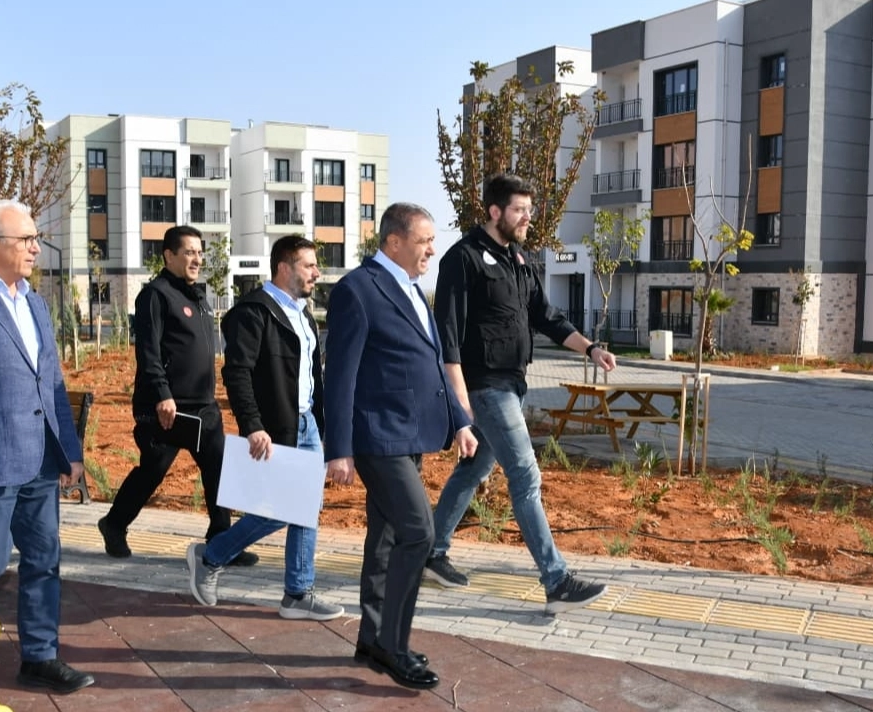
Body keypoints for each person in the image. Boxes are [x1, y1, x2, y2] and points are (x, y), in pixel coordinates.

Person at [427, 173, 615, 614]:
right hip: (485, 387)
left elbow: (546, 315)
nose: (528, 217)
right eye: (519, 210)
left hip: (512, 383)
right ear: (495, 211)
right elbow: (447, 337)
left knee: (472, 471)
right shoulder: (463, 259)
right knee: (526, 476)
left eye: (529, 209)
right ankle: (556, 581)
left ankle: (431, 553)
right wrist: (460, 404)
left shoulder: (517, 258)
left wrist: (590, 348)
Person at [325, 202, 477, 691]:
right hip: (377, 436)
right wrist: (338, 448)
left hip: (409, 436)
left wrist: (460, 422)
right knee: (419, 534)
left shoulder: (412, 289)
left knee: (387, 538)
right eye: (424, 240)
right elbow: (340, 375)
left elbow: (433, 363)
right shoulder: (357, 289)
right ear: (394, 242)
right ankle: (393, 645)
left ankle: (372, 637)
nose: (432, 249)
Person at [186, 235, 343, 621]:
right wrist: (253, 426)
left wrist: (321, 424)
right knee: (284, 509)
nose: (316, 273)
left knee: (307, 507)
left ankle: (298, 593)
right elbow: (237, 373)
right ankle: (212, 556)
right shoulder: (254, 312)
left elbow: (311, 377)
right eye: (309, 265)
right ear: (285, 267)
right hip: (276, 427)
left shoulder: (304, 315)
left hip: (307, 424)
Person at [98, 225, 257, 566]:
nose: (197, 259)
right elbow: (148, 351)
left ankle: (221, 542)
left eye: (200, 252)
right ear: (169, 255)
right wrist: (162, 394)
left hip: (203, 407)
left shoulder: (197, 297)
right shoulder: (155, 295)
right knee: (153, 469)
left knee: (218, 468)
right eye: (189, 252)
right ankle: (114, 524)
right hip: (167, 408)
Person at [0, 200, 95, 694]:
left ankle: (39, 657)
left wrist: (70, 451)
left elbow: (52, 380)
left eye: (36, 238)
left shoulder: (34, 302)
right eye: (26, 239)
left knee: (43, 560)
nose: (36, 247)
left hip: (38, 459)